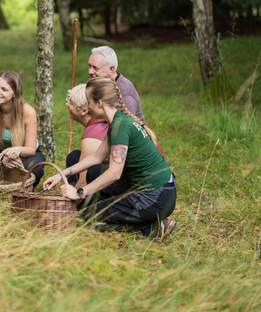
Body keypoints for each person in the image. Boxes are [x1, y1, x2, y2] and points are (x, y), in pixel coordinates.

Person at [44, 77, 176, 239]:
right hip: (159, 191)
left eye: (88, 100)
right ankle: (133, 216)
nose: (87, 106)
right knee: (91, 192)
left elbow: (114, 173)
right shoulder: (118, 121)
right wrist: (61, 175)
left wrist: (79, 193)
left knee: (85, 219)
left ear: (99, 103)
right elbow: (97, 157)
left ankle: (153, 227)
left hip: (157, 197)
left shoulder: (120, 126)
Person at [0, 71, 46, 186]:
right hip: (0, 153)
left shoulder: (28, 112)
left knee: (35, 169)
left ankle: (22, 187)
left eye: (4, 89)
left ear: (15, 93)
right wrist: (1, 159)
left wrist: (18, 150)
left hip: (24, 153)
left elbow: (31, 148)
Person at [69, 46, 144, 124]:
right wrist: (74, 99)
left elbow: (125, 126)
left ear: (111, 69)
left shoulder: (126, 92)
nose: (90, 72)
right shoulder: (94, 80)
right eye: (89, 66)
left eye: (95, 68)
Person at [66, 83, 108, 188]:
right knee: (74, 157)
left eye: (71, 102)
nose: (67, 104)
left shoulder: (93, 136)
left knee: (92, 171)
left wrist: (68, 200)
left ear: (84, 111)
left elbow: (83, 183)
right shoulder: (103, 119)